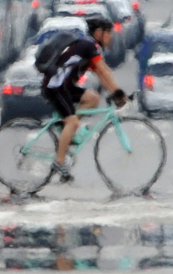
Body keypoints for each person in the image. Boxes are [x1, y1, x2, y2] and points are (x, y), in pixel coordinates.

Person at [42, 17, 127, 182]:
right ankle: (59, 162)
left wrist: (116, 93)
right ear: (98, 33)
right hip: (55, 86)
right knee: (73, 122)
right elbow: (102, 70)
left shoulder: (89, 47)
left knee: (93, 98)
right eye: (108, 33)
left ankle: (66, 127)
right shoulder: (88, 45)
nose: (111, 38)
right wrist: (118, 94)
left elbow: (103, 74)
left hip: (64, 85)